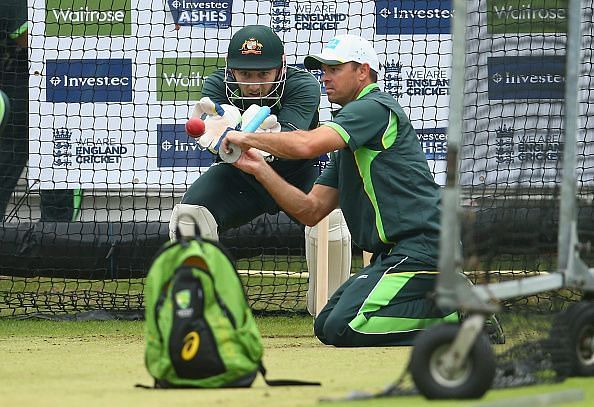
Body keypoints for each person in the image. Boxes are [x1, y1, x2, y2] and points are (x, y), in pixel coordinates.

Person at [222, 34, 459, 347]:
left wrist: (245, 138)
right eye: (323, 69)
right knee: (326, 324)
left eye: (334, 68)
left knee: (344, 326)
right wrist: (259, 168)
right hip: (396, 255)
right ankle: (447, 305)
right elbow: (311, 210)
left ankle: (458, 318)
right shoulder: (350, 142)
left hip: (424, 247)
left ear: (362, 71)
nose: (325, 77)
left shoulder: (372, 107)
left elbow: (306, 144)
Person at [170, 25, 352, 314]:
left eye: (262, 74)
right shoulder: (216, 85)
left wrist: (248, 136)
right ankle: (203, 314)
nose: (254, 85)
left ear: (280, 67)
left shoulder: (302, 85)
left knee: (331, 222)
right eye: (245, 75)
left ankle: (330, 310)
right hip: (240, 179)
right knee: (188, 217)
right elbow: (218, 137)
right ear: (231, 70)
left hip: (296, 176)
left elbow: (294, 143)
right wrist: (217, 135)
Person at [0, 3, 73, 222]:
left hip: (55, 96)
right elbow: (31, 39)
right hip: (19, 95)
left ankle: (57, 244)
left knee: (60, 182)